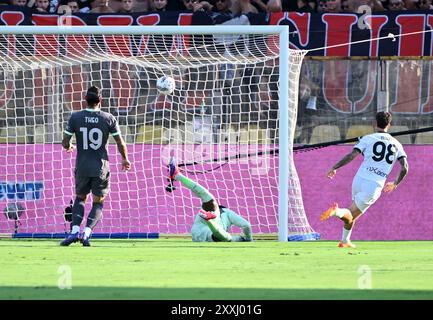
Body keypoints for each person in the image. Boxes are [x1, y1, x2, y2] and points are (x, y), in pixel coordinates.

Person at [320, 112, 408, 248]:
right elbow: (405, 168)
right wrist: (395, 183)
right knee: (350, 213)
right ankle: (336, 211)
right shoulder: (397, 144)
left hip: (359, 180)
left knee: (352, 213)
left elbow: (352, 155)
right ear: (389, 125)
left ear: (374, 123)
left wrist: (335, 167)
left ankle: (345, 241)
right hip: (374, 185)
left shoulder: (367, 138)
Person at [60, 86, 131, 247]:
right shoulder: (108, 118)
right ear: (101, 100)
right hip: (101, 167)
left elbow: (65, 141)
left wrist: (69, 146)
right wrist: (125, 159)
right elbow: (120, 142)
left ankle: (73, 233)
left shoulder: (75, 117)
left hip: (82, 166)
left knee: (80, 198)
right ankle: (86, 235)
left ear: (85, 99)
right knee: (98, 202)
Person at [167, 157, 253, 242]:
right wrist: (249, 239)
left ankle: (178, 176)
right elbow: (246, 225)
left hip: (198, 233)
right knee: (225, 238)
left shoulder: (221, 212)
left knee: (208, 199)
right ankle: (177, 175)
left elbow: (203, 195)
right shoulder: (227, 213)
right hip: (212, 234)